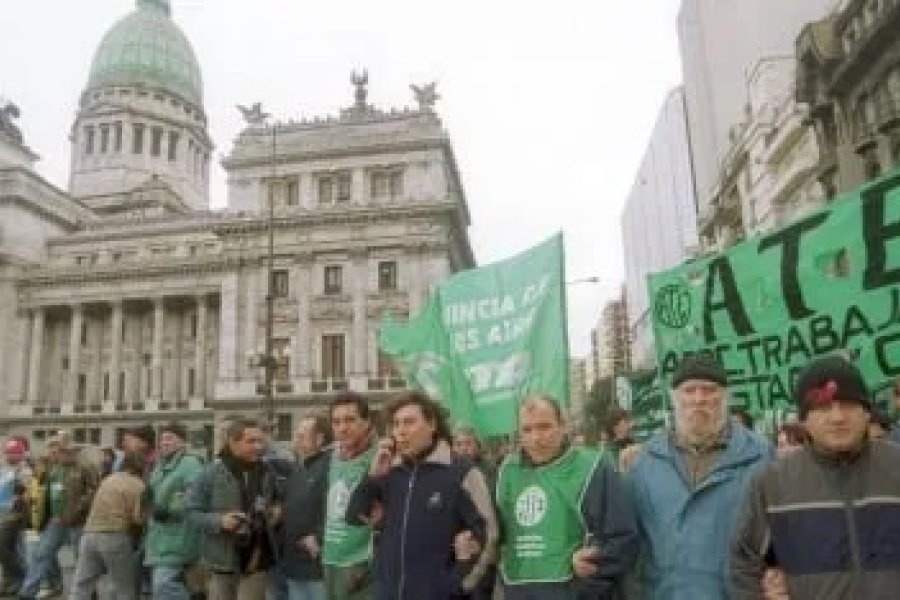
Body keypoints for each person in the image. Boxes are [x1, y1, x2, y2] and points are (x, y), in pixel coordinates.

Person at [731, 355, 900, 599]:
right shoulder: (772, 483)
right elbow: (743, 564)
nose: (838, 417)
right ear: (803, 420)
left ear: (867, 413)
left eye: (849, 405)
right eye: (823, 408)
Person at [627, 353, 772, 599]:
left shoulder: (761, 456)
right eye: (689, 390)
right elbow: (631, 541)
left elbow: (777, 536)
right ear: (674, 398)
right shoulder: (645, 462)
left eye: (709, 390)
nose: (699, 399)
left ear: (726, 396)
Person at [346, 391, 499, 600]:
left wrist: (458, 584)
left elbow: (489, 535)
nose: (401, 431)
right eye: (396, 424)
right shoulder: (389, 471)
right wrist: (373, 477)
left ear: (432, 424)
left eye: (409, 423)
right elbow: (354, 516)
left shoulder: (462, 473)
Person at [496, 395, 638, 599]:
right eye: (527, 430)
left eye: (544, 427)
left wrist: (594, 562)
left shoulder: (593, 467)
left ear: (563, 426)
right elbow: (492, 535)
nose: (535, 437)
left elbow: (624, 537)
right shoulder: (507, 472)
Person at [186, 417, 282, 600]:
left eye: (261, 441)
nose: (258, 446)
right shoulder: (210, 474)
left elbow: (278, 502)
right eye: (251, 441)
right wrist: (220, 521)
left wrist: (276, 512)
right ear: (233, 442)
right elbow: (191, 512)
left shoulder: (269, 472)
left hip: (257, 559)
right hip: (221, 562)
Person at [18, 434, 98, 600]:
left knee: (82, 560)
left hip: (79, 522)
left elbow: (93, 492)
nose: (57, 453)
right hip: (56, 521)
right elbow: (48, 491)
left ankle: (88, 594)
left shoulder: (86, 466)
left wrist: (75, 512)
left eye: (61, 449)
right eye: (56, 449)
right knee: (41, 554)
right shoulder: (55, 467)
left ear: (71, 449)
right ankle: (27, 593)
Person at [320, 392, 377, 600]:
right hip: (330, 561)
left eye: (350, 420)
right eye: (336, 422)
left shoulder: (382, 458)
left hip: (364, 566)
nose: (342, 428)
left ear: (367, 422)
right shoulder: (328, 457)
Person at [69, 451, 146, 599]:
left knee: (82, 584)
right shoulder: (138, 485)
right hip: (115, 536)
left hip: (90, 533)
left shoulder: (108, 479)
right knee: (124, 587)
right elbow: (137, 518)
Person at [145, 422, 204, 600]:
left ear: (182, 442)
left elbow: (194, 496)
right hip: (158, 535)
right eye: (162, 439)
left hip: (179, 535)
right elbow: (153, 493)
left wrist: (170, 511)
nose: (165, 442)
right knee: (162, 586)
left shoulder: (191, 463)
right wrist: (146, 498)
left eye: (170, 438)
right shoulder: (159, 465)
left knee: (162, 585)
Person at [281, 415, 332, 600]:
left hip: (317, 566)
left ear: (319, 439)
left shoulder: (330, 466)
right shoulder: (298, 468)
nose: (296, 438)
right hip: (293, 564)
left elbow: (337, 510)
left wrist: (319, 537)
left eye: (302, 435)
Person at [0, 439, 31, 596]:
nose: (9, 456)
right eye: (8, 453)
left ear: (20, 454)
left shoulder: (24, 470)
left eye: (13, 453)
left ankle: (24, 578)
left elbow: (25, 493)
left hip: (15, 516)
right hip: (3, 513)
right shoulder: (4, 469)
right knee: (7, 551)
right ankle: (8, 584)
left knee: (13, 550)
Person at [452, 425, 496, 490]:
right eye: (459, 444)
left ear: (478, 445)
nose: (464, 448)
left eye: (468, 443)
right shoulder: (450, 471)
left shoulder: (489, 469)